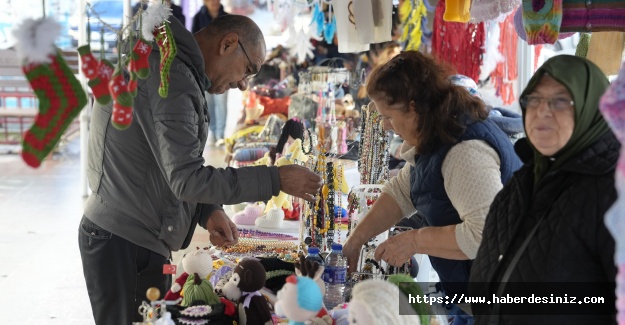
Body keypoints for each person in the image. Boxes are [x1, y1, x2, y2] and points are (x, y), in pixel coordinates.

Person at [78, 15, 322, 325]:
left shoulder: (172, 68)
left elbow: (171, 163)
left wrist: (206, 210)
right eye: (248, 69)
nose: (244, 83)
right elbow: (186, 178)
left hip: (135, 236)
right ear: (228, 43)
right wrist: (275, 179)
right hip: (126, 240)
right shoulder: (171, 77)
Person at [342, 51, 522, 325]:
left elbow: (484, 235)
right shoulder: (437, 133)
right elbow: (402, 192)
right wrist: (355, 242)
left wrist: (414, 241)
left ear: (413, 107)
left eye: (388, 116)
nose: (386, 126)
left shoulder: (464, 152)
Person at [469, 56, 618, 324]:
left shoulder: (612, 194)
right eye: (534, 99)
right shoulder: (523, 181)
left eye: (561, 100)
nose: (542, 111)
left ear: (591, 108)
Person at [193, 0, 229, 146]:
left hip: (224, 68)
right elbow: (193, 41)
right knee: (208, 101)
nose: (214, 1)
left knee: (221, 101)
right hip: (205, 67)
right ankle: (213, 131)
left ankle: (220, 133)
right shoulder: (198, 17)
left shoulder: (227, 18)